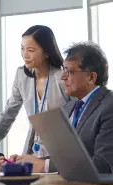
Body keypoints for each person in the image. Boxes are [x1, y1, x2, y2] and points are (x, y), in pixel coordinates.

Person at [18, 42, 113, 173]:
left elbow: (104, 165)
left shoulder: (109, 107)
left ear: (91, 77)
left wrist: (44, 166)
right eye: (63, 70)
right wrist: (29, 161)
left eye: (69, 71)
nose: (63, 77)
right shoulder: (70, 106)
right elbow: (65, 159)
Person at [0, 25, 71, 172]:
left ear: (47, 52)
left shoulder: (62, 77)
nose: (25, 55)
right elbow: (8, 114)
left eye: (31, 50)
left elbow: (77, 120)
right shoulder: (21, 75)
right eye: (22, 48)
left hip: (59, 158)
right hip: (32, 155)